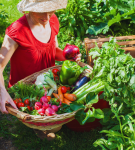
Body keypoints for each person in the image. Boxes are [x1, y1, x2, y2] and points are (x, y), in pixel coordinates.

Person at [0, 0, 81, 140]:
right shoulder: (17, 31)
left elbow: (53, 51)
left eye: (51, 10)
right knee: (55, 126)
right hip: (27, 89)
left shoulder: (53, 21)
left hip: (48, 81)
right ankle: (36, 123)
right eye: (42, 11)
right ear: (29, 8)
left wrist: (68, 57)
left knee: (57, 119)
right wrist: (2, 91)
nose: (47, 17)